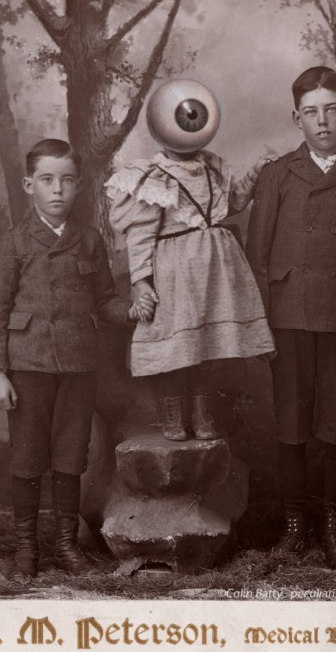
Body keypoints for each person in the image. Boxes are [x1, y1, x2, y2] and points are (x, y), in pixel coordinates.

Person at [0, 138, 155, 580]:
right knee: (27, 459)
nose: (57, 189)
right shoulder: (14, 242)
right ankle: (26, 549)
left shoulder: (89, 240)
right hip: (27, 366)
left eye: (66, 180)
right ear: (29, 185)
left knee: (70, 456)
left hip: (79, 366)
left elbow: (104, 301)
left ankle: (65, 546)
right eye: (47, 180)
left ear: (78, 185)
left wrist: (131, 311)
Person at [245, 67, 336, 569]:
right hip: (287, 317)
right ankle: (294, 528)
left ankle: (335, 529)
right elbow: (257, 257)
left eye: (331, 110)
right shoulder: (276, 175)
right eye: (311, 112)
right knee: (291, 424)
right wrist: (259, 326)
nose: (322, 121)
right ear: (296, 118)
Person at [107, 79, 276, 442]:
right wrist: (141, 282)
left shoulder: (213, 167)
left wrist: (256, 172)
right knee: (177, 347)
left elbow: (230, 204)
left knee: (207, 346)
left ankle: (202, 413)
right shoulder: (152, 178)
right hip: (175, 274)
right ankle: (174, 414)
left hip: (215, 270)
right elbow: (140, 235)